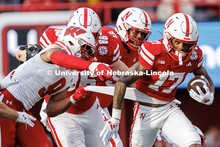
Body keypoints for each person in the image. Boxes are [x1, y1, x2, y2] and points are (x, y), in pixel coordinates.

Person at [100, 13, 215, 147]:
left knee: (194, 143)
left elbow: (205, 77)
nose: (182, 49)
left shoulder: (195, 55)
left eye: (187, 44)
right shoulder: (154, 51)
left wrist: (210, 95)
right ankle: (166, 133)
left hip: (169, 109)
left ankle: (168, 132)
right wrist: (115, 119)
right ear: (168, 37)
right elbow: (122, 81)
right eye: (178, 42)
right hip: (145, 111)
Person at [0, 26, 110, 147]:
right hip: (5, 102)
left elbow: (51, 109)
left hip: (23, 110)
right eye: (87, 49)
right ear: (73, 41)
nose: (87, 55)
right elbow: (57, 57)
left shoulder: (70, 74)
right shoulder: (56, 49)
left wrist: (73, 99)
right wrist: (91, 66)